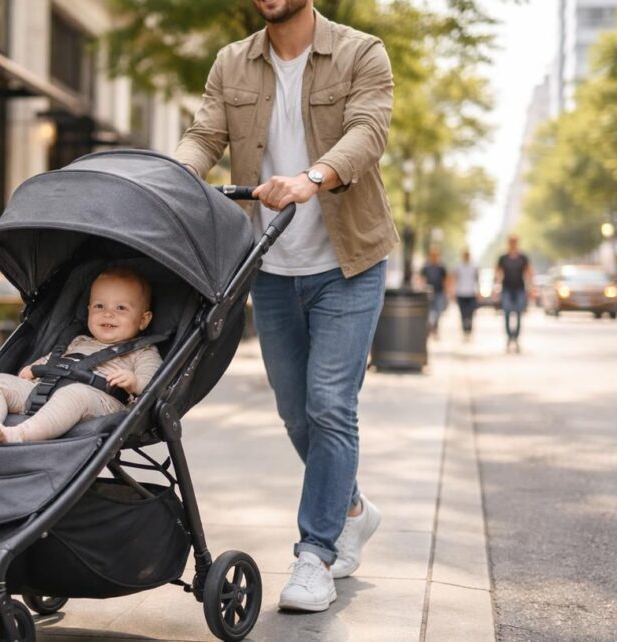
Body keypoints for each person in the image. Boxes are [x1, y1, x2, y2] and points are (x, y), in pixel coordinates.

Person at [174, 0, 396, 612]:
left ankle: (315, 555)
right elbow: (204, 136)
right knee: (295, 413)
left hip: (348, 263)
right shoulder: (231, 62)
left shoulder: (361, 51)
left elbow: (368, 133)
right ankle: (351, 506)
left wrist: (313, 176)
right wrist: (174, 177)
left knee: (330, 405)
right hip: (269, 265)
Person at [0, 267, 162, 444]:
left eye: (121, 308)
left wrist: (134, 382)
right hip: (46, 390)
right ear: (88, 310)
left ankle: (20, 434)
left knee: (75, 394)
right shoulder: (78, 341)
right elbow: (54, 361)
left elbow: (153, 385)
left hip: (100, 401)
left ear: (143, 320)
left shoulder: (143, 351)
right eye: (99, 306)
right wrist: (34, 368)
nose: (108, 313)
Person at [494, 234, 532, 353]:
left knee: (519, 315)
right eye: (511, 242)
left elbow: (528, 273)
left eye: (515, 242)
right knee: (506, 314)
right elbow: (498, 274)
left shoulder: (523, 257)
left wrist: (531, 288)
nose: (513, 244)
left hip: (520, 289)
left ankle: (516, 337)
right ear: (508, 243)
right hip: (506, 290)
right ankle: (509, 337)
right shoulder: (503, 258)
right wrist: (496, 289)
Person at [419, 247, 448, 338]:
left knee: (438, 311)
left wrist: (447, 292)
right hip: (429, 293)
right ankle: (430, 327)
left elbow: (445, 280)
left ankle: (435, 327)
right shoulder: (426, 267)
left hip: (439, 292)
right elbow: (422, 279)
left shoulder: (441, 267)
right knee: (430, 311)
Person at [453, 249, 479, 339]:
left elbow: (477, 279)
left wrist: (478, 291)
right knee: (463, 313)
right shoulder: (458, 266)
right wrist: (453, 291)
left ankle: (469, 329)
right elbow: (455, 278)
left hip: (471, 293)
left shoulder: (474, 266)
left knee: (470, 313)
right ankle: (464, 330)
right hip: (461, 293)